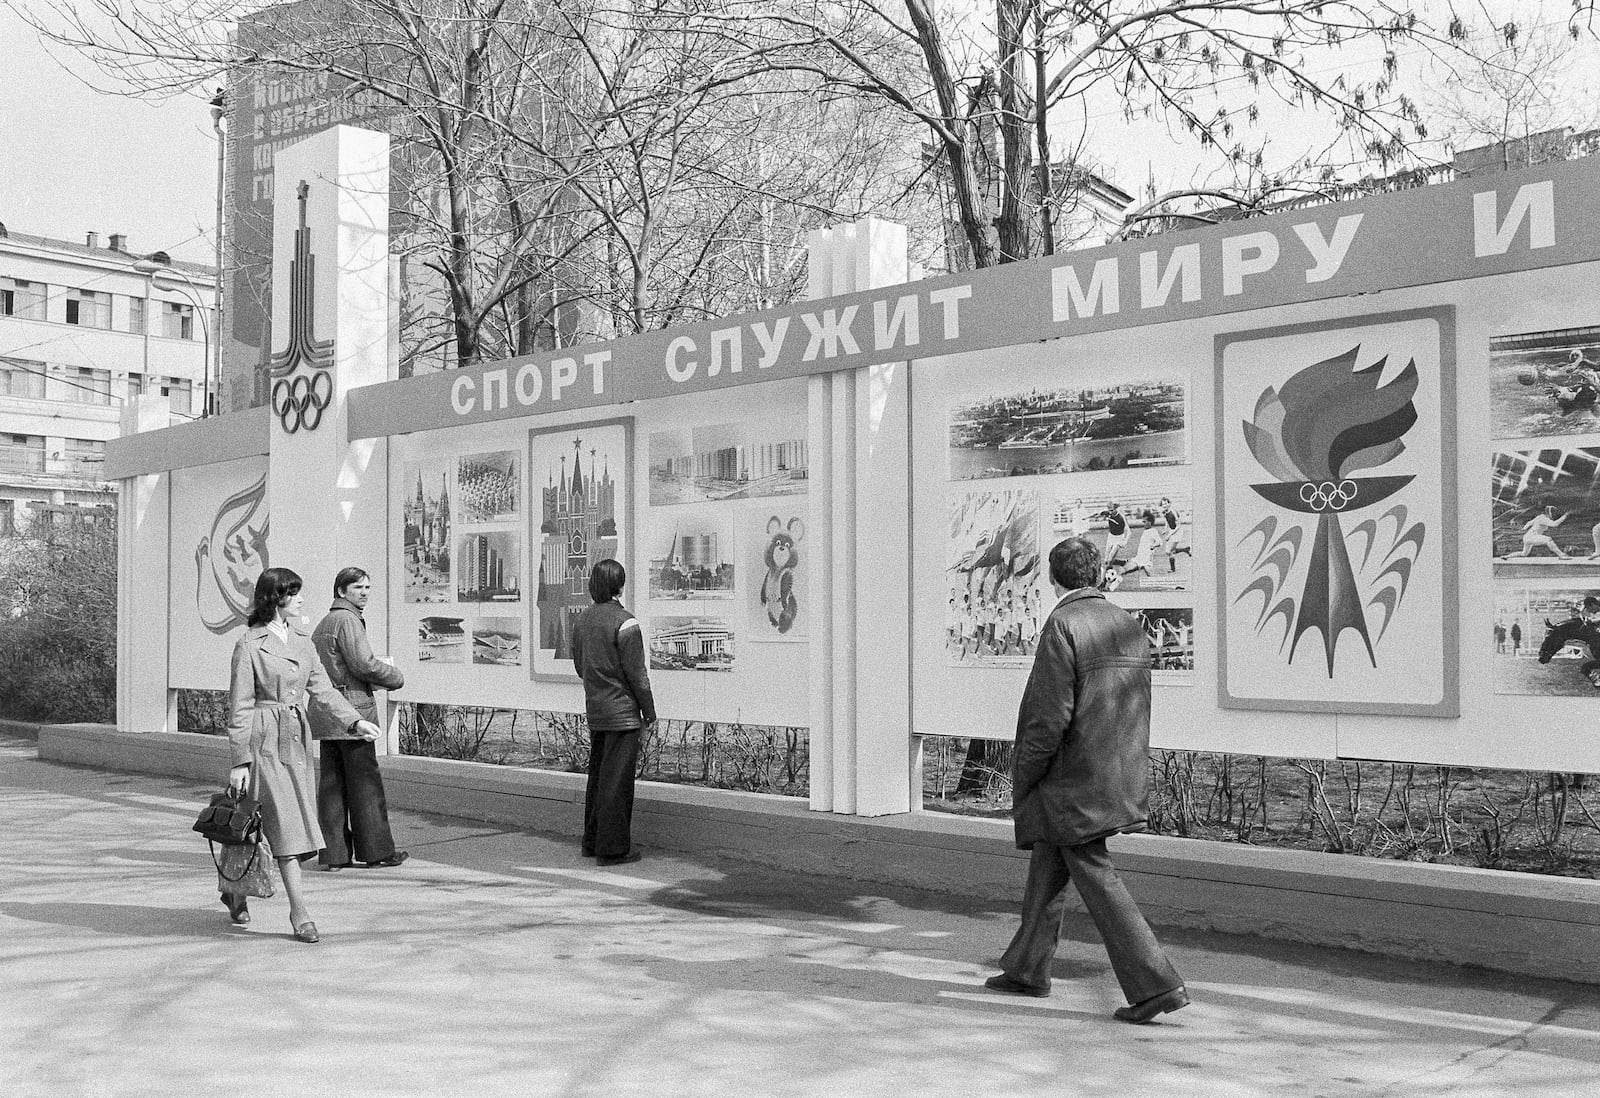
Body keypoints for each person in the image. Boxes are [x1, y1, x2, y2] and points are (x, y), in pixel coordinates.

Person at [984, 537, 1188, 1024]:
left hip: (1071, 778)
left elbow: (1046, 718)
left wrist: (1025, 775)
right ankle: (1027, 967)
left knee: (1092, 869)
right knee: (1051, 856)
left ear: (1053, 578)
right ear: (1097, 575)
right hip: (1114, 774)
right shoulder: (1126, 624)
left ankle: (1157, 982)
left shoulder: (1062, 624)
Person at [224, 567, 378, 942]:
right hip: (262, 740)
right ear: (276, 599)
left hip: (295, 741)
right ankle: (299, 913)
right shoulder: (249, 645)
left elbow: (323, 691)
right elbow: (239, 706)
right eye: (295, 594)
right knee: (281, 828)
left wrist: (355, 723)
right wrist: (240, 761)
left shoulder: (304, 643)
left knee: (266, 826)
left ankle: (234, 890)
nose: (302, 600)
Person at [310, 566, 408, 871]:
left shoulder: (325, 622)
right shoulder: (348, 620)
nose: (364, 593)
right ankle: (377, 852)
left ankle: (334, 855)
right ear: (341, 591)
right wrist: (395, 677)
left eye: (367, 587)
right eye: (357, 588)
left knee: (332, 787)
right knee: (365, 786)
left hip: (328, 714)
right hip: (355, 713)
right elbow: (363, 665)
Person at [570, 559, 657, 866]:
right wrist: (650, 712)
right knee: (617, 784)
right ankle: (613, 849)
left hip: (597, 710)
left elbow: (580, 666)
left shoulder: (582, 621)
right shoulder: (626, 622)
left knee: (597, 778)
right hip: (623, 713)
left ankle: (591, 842)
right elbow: (638, 674)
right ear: (620, 585)